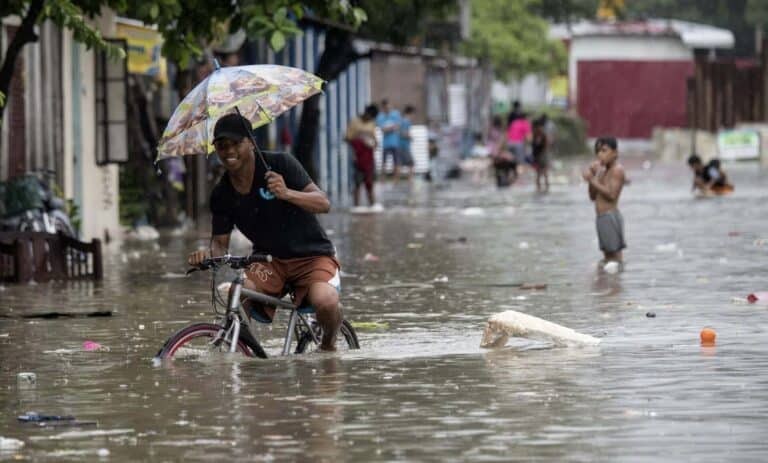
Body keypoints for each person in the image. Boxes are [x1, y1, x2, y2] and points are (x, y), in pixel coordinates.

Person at [188, 113, 342, 351]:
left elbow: (323, 203)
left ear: (251, 142)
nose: (229, 152)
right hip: (269, 262)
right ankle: (242, 352)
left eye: (235, 144)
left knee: (326, 301)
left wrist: (287, 193)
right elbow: (220, 244)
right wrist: (206, 255)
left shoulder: (280, 164)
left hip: (312, 256)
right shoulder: (221, 194)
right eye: (221, 146)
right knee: (237, 295)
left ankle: (329, 347)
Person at [582, 137, 626, 266]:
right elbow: (592, 196)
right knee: (608, 256)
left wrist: (592, 180)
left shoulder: (617, 170)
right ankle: (611, 284)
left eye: (604, 150)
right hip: (601, 218)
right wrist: (594, 176)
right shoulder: (602, 171)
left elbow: (612, 195)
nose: (600, 154)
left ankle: (615, 284)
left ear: (615, 153)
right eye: (598, 151)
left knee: (614, 257)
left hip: (610, 217)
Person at [345, 104, 379, 207]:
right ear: (366, 113)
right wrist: (360, 139)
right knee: (358, 183)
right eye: (369, 116)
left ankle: (372, 205)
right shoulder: (354, 122)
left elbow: (375, 142)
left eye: (372, 118)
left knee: (370, 183)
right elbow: (347, 138)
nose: (370, 119)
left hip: (369, 159)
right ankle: (356, 207)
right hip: (358, 158)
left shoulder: (372, 123)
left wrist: (372, 143)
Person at [376, 99, 402, 181]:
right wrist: (392, 127)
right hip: (385, 143)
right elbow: (382, 129)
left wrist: (389, 128)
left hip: (395, 142)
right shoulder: (380, 116)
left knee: (396, 162)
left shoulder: (396, 114)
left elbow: (398, 126)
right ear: (383, 108)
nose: (387, 109)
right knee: (384, 162)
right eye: (385, 108)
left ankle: (396, 179)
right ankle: (383, 178)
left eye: (388, 107)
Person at [506, 113, 531, 181]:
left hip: (510, 143)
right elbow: (529, 137)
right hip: (518, 144)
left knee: (511, 161)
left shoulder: (514, 122)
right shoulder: (525, 123)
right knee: (520, 162)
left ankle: (510, 176)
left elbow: (508, 133)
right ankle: (518, 179)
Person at [531, 118, 549, 193]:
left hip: (542, 154)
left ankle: (546, 185)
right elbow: (533, 145)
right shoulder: (535, 134)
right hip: (537, 155)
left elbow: (545, 145)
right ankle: (538, 186)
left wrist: (542, 154)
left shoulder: (542, 134)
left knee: (544, 171)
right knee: (538, 172)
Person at [398, 105, 416, 182]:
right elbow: (402, 133)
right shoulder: (406, 121)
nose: (414, 116)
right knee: (411, 163)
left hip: (400, 145)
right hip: (404, 145)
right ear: (410, 113)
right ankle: (410, 179)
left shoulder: (402, 120)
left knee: (399, 163)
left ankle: (397, 180)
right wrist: (410, 137)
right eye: (413, 114)